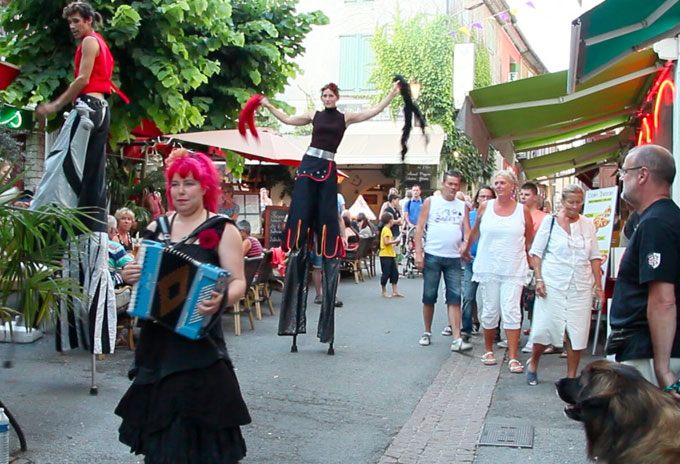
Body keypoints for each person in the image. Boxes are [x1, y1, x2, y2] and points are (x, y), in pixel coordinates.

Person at [115, 148, 250, 462]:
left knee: (204, 442)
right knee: (163, 444)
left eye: (188, 183)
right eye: (175, 184)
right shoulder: (156, 228)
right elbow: (140, 274)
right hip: (157, 346)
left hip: (199, 347)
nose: (180, 191)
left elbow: (239, 282)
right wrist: (128, 273)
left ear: (205, 187)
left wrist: (221, 299)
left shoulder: (222, 230)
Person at [260, 81, 400, 354]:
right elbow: (288, 119)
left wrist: (392, 95)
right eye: (323, 95)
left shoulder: (344, 118)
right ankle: (298, 240)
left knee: (326, 219)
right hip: (309, 163)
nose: (326, 98)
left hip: (326, 166)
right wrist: (268, 105)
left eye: (330, 95)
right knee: (301, 215)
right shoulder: (314, 115)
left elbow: (371, 112)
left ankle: (326, 248)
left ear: (337, 97)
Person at [32, 1, 128, 355]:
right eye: (70, 22)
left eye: (76, 20)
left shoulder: (90, 43)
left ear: (89, 20)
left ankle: (56, 221)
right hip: (98, 109)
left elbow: (84, 80)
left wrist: (55, 106)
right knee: (85, 178)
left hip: (90, 107)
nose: (72, 26)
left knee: (65, 171)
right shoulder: (96, 43)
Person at [608, 144, 680, 395]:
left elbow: (663, 300)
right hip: (642, 348)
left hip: (647, 353)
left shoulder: (657, 224)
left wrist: (662, 368)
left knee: (644, 433)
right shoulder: (656, 219)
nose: (621, 179)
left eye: (624, 172)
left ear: (642, 175)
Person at [525, 184, 603, 386]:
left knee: (576, 332)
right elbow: (536, 253)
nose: (575, 206)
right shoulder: (550, 222)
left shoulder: (588, 224)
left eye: (579, 202)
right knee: (545, 330)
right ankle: (533, 361)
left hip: (580, 285)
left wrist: (599, 287)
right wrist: (539, 279)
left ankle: (571, 377)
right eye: (571, 202)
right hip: (553, 284)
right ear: (563, 202)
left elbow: (595, 257)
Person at [463, 170, 533, 373]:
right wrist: (466, 248)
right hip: (489, 266)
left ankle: (512, 357)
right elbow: (475, 231)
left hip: (513, 266)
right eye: (497, 183)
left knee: (511, 310)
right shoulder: (486, 207)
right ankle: (488, 350)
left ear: (513, 186)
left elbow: (529, 238)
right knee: (490, 309)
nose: (499, 186)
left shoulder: (522, 211)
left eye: (503, 182)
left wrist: (530, 261)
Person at [415, 171, 471, 352]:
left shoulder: (462, 206)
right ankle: (427, 331)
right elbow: (419, 228)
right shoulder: (431, 202)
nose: (453, 187)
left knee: (455, 296)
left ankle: (457, 337)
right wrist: (418, 253)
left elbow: (468, 231)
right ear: (443, 184)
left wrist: (465, 243)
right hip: (433, 254)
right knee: (429, 295)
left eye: (456, 184)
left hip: (453, 257)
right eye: (450, 184)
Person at [458, 186, 495, 339]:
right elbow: (462, 236)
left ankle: (494, 330)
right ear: (477, 199)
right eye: (482, 196)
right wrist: (463, 250)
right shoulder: (471, 216)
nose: (485, 200)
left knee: (491, 299)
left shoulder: (497, 218)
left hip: (490, 263)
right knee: (468, 296)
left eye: (488, 197)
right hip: (471, 262)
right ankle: (467, 328)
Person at [518, 182, 547, 353]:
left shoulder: (543, 218)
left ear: (535, 197)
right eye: (521, 194)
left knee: (535, 304)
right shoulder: (517, 215)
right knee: (517, 302)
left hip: (533, 264)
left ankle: (534, 338)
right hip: (518, 263)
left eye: (527, 195)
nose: (523, 197)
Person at [379, 212, 403, 298]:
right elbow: (386, 242)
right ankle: (384, 290)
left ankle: (395, 291)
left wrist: (395, 242)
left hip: (390, 254)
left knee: (394, 272)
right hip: (385, 254)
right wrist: (395, 241)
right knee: (386, 273)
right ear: (390, 220)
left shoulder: (388, 230)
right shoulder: (386, 230)